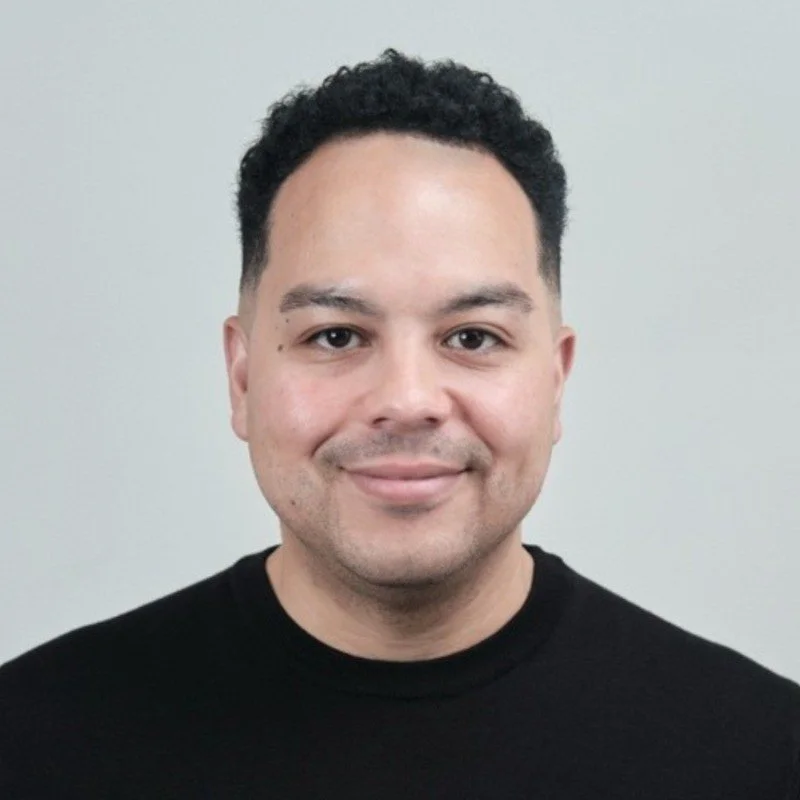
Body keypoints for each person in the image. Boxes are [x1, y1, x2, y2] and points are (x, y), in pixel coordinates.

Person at [1, 48, 798, 799]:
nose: (408, 398)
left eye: (473, 337)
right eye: (336, 336)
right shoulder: (32, 744)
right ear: (242, 376)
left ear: (556, 379)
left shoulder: (763, 757)